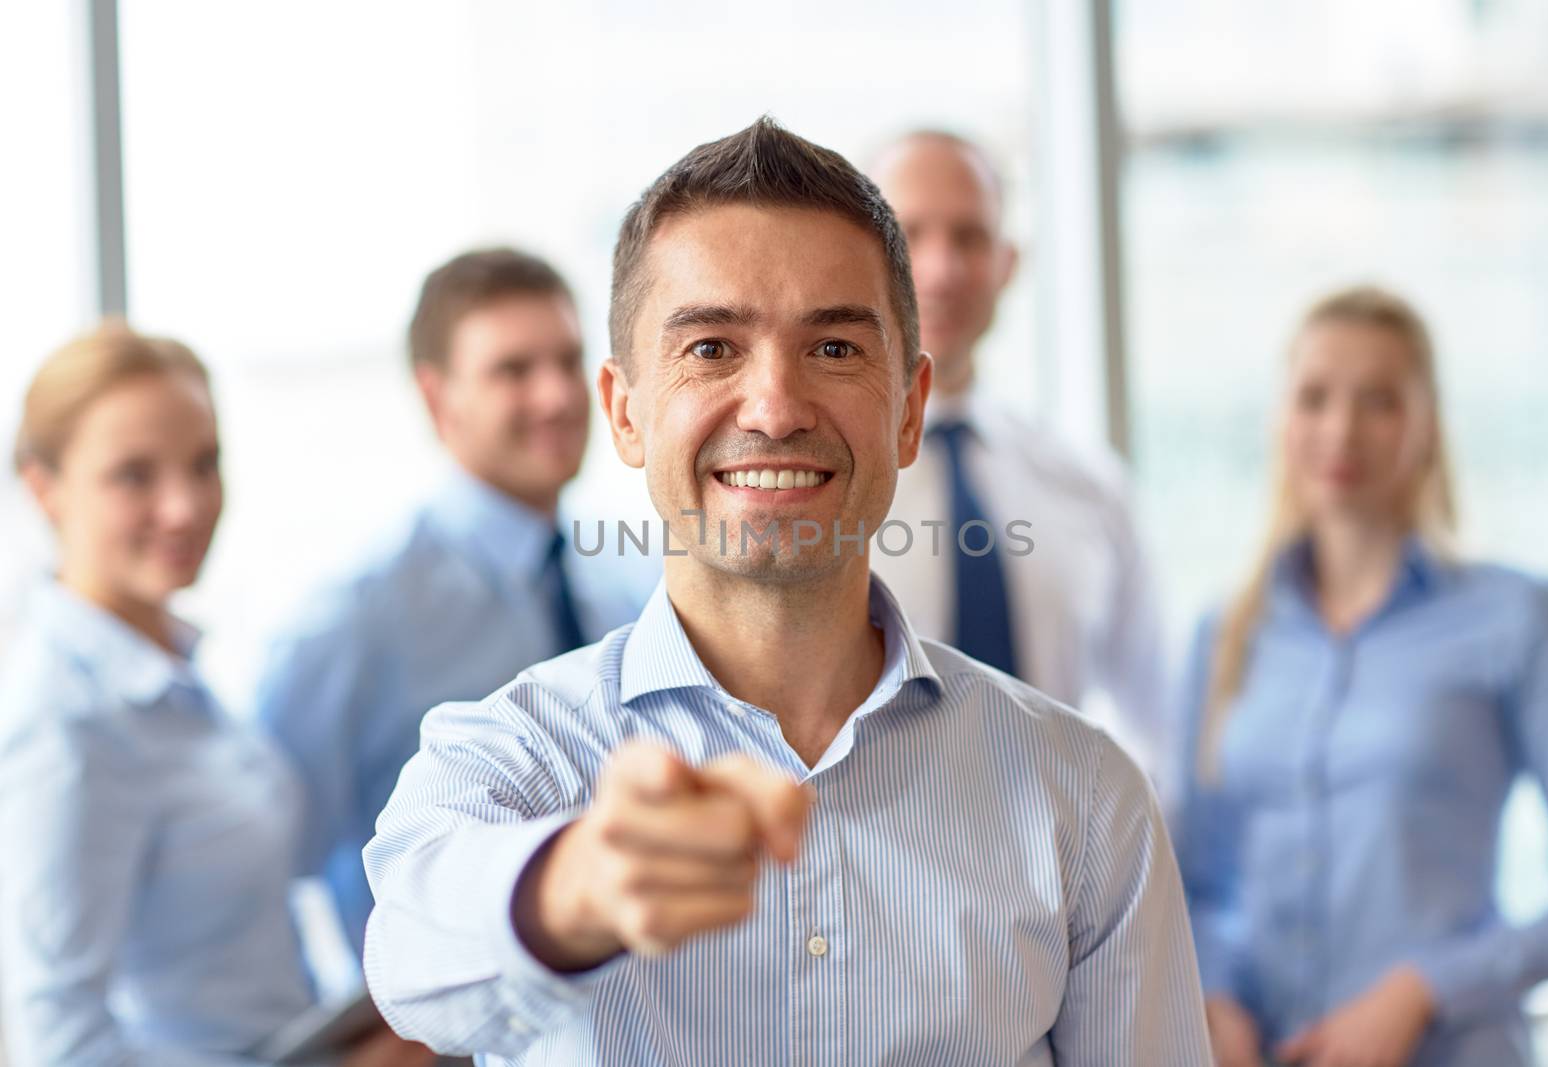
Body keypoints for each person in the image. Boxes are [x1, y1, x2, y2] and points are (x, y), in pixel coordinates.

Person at [361, 117, 1210, 1065]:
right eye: (713, 348)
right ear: (626, 411)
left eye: (836, 349)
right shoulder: (512, 755)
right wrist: (572, 888)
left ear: (910, 408)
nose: (774, 407)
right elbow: (410, 947)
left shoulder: (1085, 799)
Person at [1171, 286, 1548, 1067]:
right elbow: (1191, 877)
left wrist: (1421, 989)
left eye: (1379, 401)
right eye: (1315, 397)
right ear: (1281, 420)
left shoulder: (1519, 617)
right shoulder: (1223, 632)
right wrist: (1215, 996)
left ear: (1428, 425)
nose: (1342, 429)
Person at [0, 322, 429, 1066]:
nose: (185, 506)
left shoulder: (167, 666)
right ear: (44, 487)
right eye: (135, 475)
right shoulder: (65, 721)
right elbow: (63, 1043)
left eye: (204, 464)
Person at [254, 248, 643, 955]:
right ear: (439, 399)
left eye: (568, 360)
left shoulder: (623, 575)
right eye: (513, 370)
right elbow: (264, 868)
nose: (556, 396)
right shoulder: (355, 618)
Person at [868, 130, 1166, 771]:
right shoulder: (810, 490)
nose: (942, 269)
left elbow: (1154, 723)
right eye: (910, 235)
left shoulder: (1091, 485)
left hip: (1064, 857)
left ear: (1008, 263)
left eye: (969, 239)